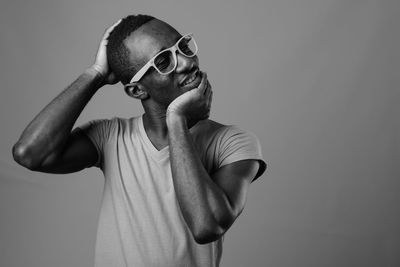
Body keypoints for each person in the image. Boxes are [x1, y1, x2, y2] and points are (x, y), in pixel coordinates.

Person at [12, 14, 266, 267]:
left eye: (183, 46)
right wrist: (96, 73)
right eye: (164, 61)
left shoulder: (234, 143)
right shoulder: (111, 137)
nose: (187, 62)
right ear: (137, 90)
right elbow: (30, 154)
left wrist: (176, 120)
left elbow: (206, 225)